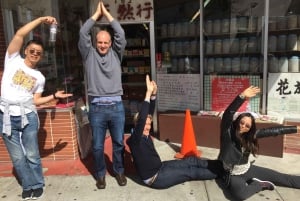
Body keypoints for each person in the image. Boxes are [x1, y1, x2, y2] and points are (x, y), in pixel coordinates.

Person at [0, 17, 73, 200]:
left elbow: (36, 101)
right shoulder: (12, 59)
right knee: (17, 157)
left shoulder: (39, 77)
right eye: (32, 50)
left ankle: (37, 184)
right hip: (6, 116)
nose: (34, 54)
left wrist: (54, 97)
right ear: (25, 50)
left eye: (38, 53)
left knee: (32, 154)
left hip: (28, 116)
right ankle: (27, 185)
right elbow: (20, 34)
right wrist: (41, 20)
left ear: (41, 57)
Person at [126, 75, 224, 189]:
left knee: (190, 161)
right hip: (156, 178)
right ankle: (222, 174)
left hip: (161, 166)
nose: (148, 127)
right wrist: (147, 93)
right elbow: (143, 118)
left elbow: (148, 114)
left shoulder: (144, 134)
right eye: (144, 125)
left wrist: (153, 95)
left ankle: (221, 165)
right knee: (190, 172)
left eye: (149, 124)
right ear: (137, 125)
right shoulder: (135, 139)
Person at [218, 86, 300, 200]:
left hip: (247, 169)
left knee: (283, 178)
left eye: (247, 126)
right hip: (233, 175)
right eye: (242, 123)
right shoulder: (227, 132)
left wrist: (295, 129)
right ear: (237, 122)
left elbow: (272, 131)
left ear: (250, 128)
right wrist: (241, 97)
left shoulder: (250, 136)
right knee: (239, 195)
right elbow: (228, 114)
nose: (243, 126)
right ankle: (259, 185)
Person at [78, 1, 127, 189]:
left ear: (111, 43)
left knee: (118, 143)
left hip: (116, 107)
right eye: (100, 42)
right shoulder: (88, 54)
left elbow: (121, 34)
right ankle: (100, 174)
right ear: (95, 42)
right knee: (97, 146)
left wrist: (107, 14)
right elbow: (83, 33)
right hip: (97, 108)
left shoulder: (116, 54)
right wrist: (95, 16)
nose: (103, 45)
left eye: (106, 42)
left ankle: (119, 171)